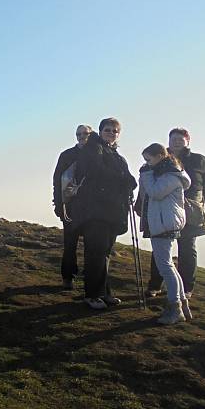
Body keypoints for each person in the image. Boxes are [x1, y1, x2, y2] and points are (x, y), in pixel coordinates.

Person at [70, 118, 137, 310]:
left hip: (111, 211)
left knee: (104, 253)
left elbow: (129, 178)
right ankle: (92, 295)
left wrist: (128, 181)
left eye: (115, 131)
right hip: (95, 211)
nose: (112, 133)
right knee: (96, 253)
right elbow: (97, 170)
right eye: (108, 130)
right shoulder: (93, 148)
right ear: (100, 131)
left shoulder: (115, 154)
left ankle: (104, 293)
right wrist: (123, 180)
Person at [147, 128, 205, 299]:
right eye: (173, 139)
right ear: (168, 141)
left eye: (180, 139)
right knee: (161, 248)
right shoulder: (161, 158)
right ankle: (154, 285)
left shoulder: (199, 160)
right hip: (165, 209)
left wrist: (203, 204)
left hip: (190, 210)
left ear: (187, 141)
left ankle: (186, 288)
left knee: (187, 248)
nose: (176, 141)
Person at [136, 143, 192, 324]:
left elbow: (155, 193)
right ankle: (182, 304)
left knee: (165, 266)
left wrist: (145, 174)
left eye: (148, 159)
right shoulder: (167, 172)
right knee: (169, 266)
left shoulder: (170, 175)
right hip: (165, 222)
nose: (147, 163)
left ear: (160, 156)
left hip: (164, 224)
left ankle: (175, 309)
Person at [52, 125, 92, 289]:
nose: (81, 136)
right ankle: (68, 277)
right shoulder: (67, 155)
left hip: (91, 207)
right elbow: (57, 179)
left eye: (85, 133)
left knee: (92, 245)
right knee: (70, 244)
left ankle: (90, 279)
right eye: (78, 134)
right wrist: (58, 203)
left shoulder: (97, 155)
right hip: (70, 205)